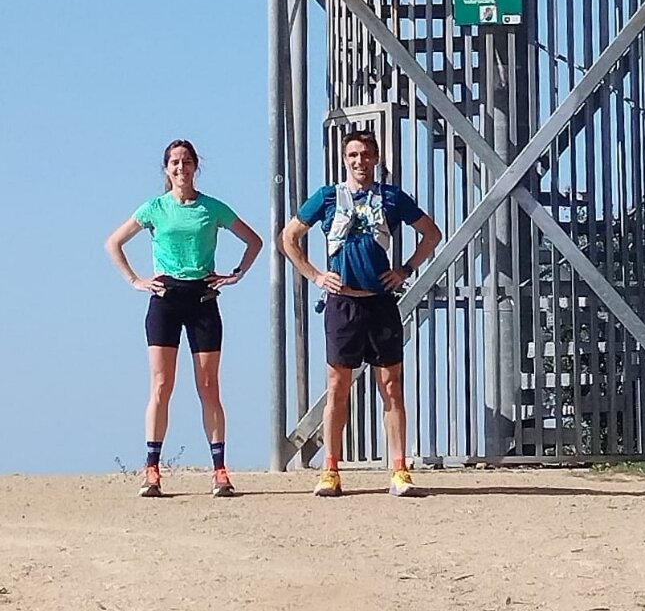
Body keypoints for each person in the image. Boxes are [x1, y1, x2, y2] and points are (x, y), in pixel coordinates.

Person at [280, 130, 442, 497]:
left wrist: (405, 269)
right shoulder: (327, 197)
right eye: (353, 155)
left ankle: (399, 470)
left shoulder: (391, 197)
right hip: (343, 302)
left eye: (366, 154)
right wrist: (315, 275)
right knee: (337, 386)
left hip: (380, 301)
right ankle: (330, 470)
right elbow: (289, 237)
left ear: (376, 158)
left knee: (391, 385)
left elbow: (431, 233)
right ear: (344, 159)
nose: (360, 161)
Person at [106, 139, 262, 498]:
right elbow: (114, 242)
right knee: (162, 385)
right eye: (175, 162)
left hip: (203, 298)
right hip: (165, 298)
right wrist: (135, 280)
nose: (181, 168)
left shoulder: (212, 208)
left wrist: (235, 274)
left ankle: (220, 471)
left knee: (209, 386)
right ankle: (152, 469)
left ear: (195, 166)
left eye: (187, 161)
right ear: (167, 168)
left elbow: (254, 241)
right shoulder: (154, 208)